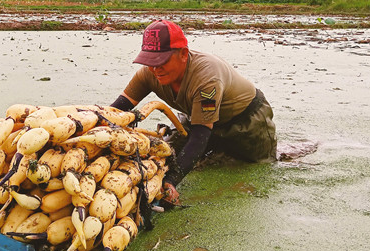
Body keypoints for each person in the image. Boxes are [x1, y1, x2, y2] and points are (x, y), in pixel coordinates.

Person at [110, 19, 276, 205]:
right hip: (199, 117)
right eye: (150, 61)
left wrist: (171, 181)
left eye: (161, 61)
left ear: (183, 54)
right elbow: (116, 110)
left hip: (246, 120)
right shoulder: (148, 74)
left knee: (254, 165)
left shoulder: (206, 77)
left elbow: (199, 137)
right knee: (167, 154)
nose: (155, 69)